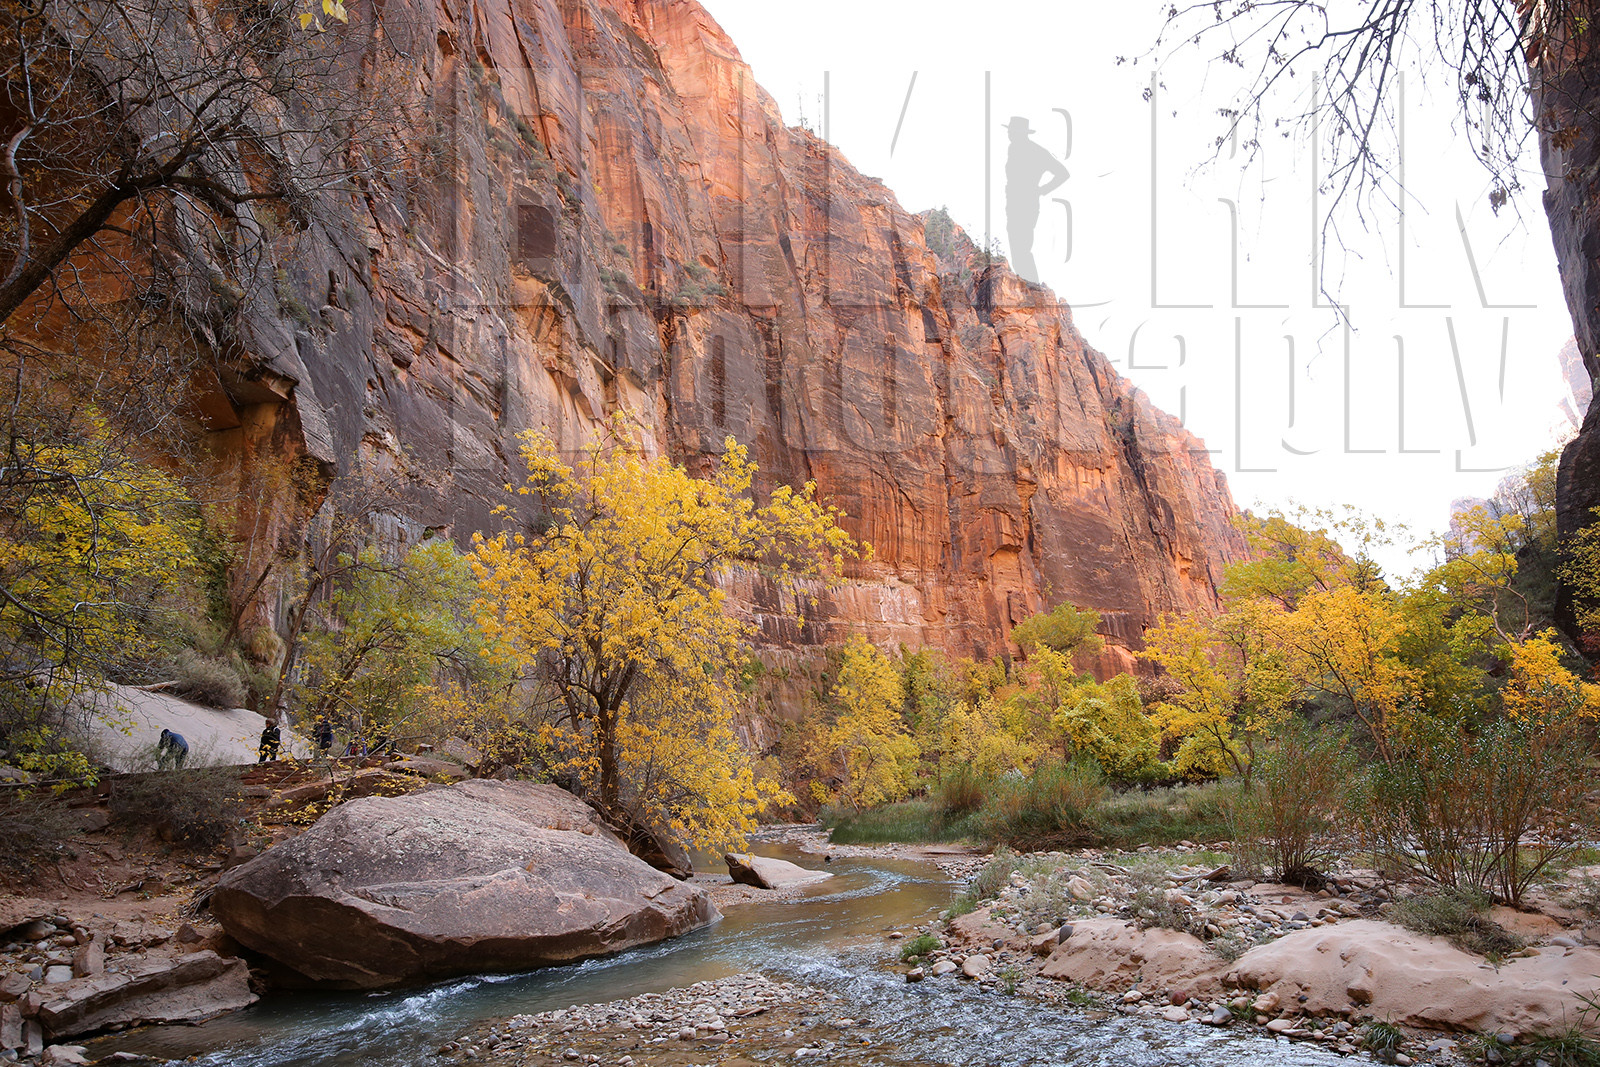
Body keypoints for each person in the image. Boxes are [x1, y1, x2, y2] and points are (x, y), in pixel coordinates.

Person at [1003, 115, 1068, 284]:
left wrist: (1041, 190)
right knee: (1018, 248)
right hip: (1013, 204)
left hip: (1026, 204)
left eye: (1012, 131)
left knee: (1022, 248)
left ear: (1020, 133)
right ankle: (1028, 285)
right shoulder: (1013, 149)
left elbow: (1063, 173)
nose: (1009, 134)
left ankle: (1033, 287)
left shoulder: (1036, 151)